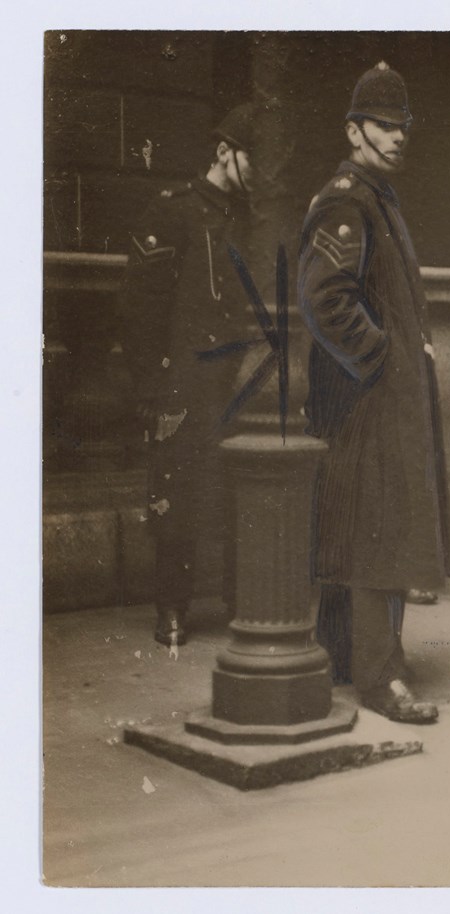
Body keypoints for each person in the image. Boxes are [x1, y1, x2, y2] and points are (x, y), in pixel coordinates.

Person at [298, 62, 449, 724]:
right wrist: (385, 354)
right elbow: (324, 298)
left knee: (355, 527)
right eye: (384, 126)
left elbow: (371, 294)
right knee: (377, 530)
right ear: (354, 130)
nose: (397, 138)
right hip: (369, 400)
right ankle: (380, 678)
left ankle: (343, 654)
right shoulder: (347, 200)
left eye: (402, 127)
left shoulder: (374, 196)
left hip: (374, 396)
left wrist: (403, 339)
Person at [121, 102, 257, 647]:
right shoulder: (171, 210)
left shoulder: (250, 218)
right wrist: (151, 386)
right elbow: (140, 308)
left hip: (235, 378)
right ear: (224, 151)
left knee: (232, 492)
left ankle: (237, 601)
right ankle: (171, 608)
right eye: (254, 159)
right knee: (175, 492)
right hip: (182, 378)